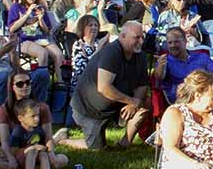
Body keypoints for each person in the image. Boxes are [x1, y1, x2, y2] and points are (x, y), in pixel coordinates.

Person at [58, 21, 151, 150]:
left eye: (142, 37)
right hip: (90, 110)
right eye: (136, 37)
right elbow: (104, 87)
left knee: (146, 102)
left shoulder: (140, 55)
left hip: (116, 105)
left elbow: (142, 85)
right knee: (97, 148)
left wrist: (135, 103)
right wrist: (131, 101)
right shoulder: (112, 53)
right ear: (122, 36)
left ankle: (125, 143)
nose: (141, 41)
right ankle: (63, 140)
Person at [0, 93, 69, 169]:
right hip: (21, 159)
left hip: (36, 157)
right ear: (20, 118)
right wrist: (28, 150)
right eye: (33, 116)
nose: (37, 119)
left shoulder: (38, 129)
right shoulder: (18, 131)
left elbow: (44, 143)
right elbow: (13, 150)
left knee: (54, 156)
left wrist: (48, 152)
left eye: (38, 115)